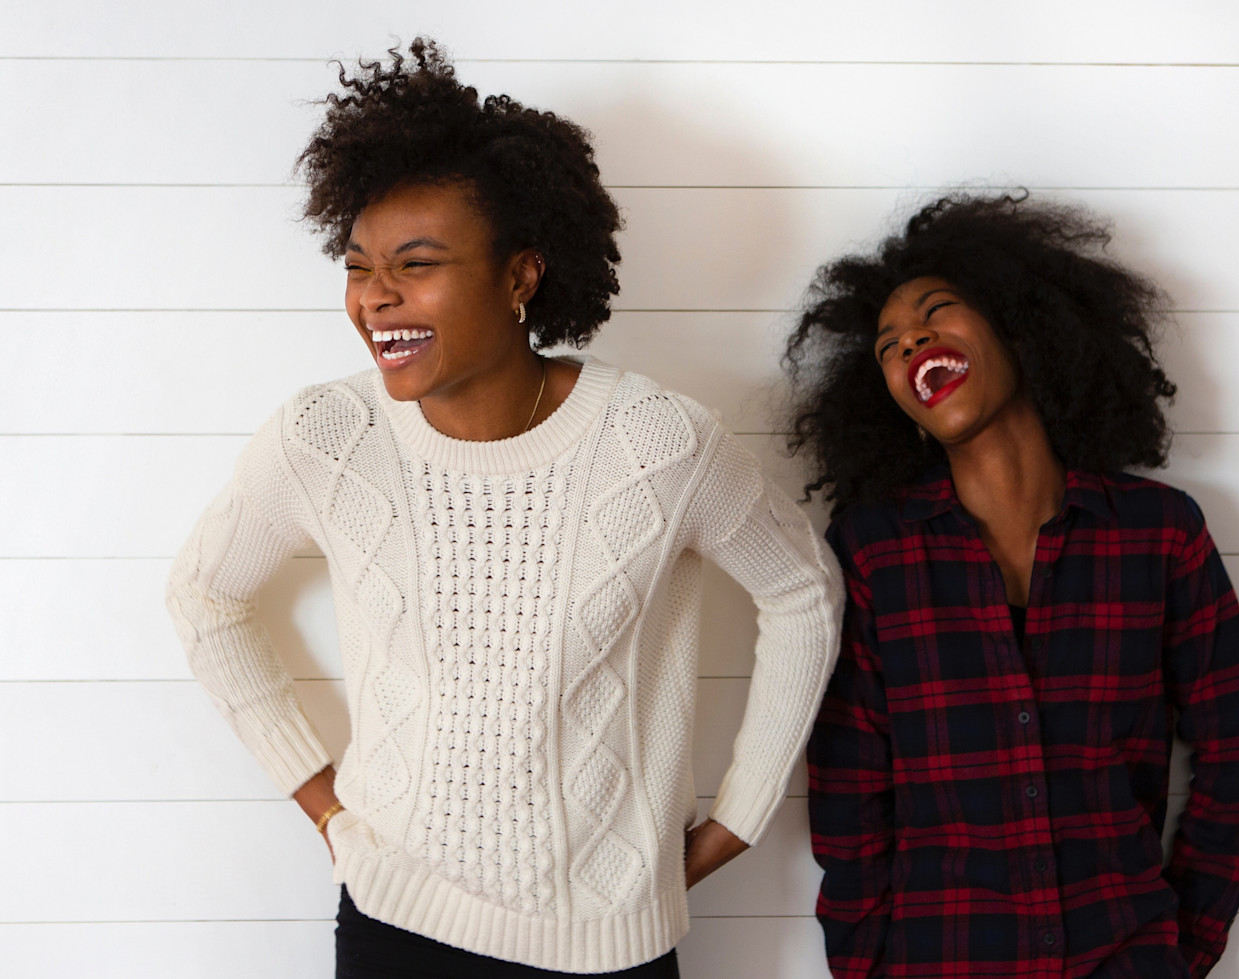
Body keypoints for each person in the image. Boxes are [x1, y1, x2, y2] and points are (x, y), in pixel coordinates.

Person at [166, 38, 841, 979]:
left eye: (418, 262)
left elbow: (803, 590)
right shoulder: (325, 436)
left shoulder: (657, 442)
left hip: (609, 944)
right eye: (359, 266)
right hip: (393, 924)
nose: (376, 298)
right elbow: (204, 594)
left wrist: (739, 814)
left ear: (521, 276)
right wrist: (320, 798)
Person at [788, 193, 1239, 978]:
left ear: (1022, 326)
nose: (911, 337)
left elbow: (1236, 756)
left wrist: (1178, 951)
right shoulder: (874, 553)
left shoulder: (1161, 533)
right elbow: (850, 798)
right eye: (888, 344)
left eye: (938, 310)